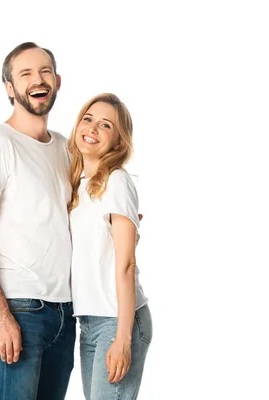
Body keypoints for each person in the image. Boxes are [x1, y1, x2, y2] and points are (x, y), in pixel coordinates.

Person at [0, 42, 75, 400]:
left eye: (44, 72)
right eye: (25, 74)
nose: (36, 80)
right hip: (21, 308)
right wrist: (0, 313)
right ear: (10, 89)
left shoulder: (66, 148)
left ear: (56, 81)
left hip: (66, 310)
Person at [67, 93, 153, 400]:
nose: (92, 128)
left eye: (105, 125)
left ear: (118, 141)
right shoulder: (78, 186)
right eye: (88, 119)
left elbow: (126, 264)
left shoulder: (117, 182)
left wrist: (123, 337)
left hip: (118, 320)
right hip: (88, 321)